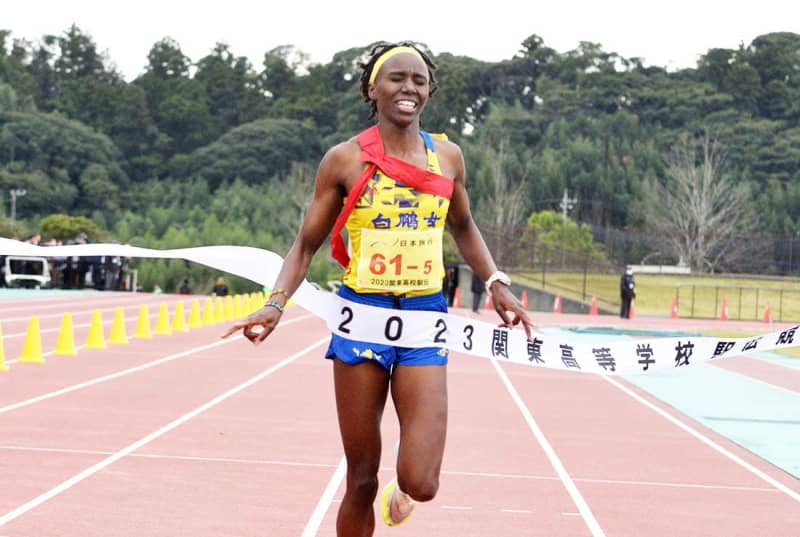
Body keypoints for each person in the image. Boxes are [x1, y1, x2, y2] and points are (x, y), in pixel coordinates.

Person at [223, 42, 533, 536]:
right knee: (362, 478)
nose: (409, 88)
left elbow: (465, 225)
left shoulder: (447, 157)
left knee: (422, 480)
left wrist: (496, 283)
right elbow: (305, 244)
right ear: (373, 88)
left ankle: (404, 493)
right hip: (360, 318)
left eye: (419, 80)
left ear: (428, 91)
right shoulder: (344, 160)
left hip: (423, 319)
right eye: (397, 78)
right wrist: (274, 305)